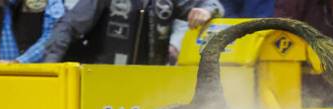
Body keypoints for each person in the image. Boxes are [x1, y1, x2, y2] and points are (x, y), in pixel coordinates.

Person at [42, 0, 222, 65]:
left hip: (149, 82)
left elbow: (213, 5)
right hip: (102, 81)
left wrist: (206, 11)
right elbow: (68, 26)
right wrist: (51, 66)